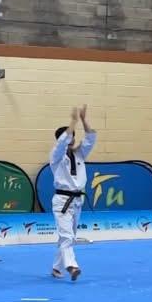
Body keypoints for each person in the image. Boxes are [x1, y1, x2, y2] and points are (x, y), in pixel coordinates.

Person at [50, 105, 96, 281]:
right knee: (66, 236)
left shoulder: (79, 154)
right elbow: (62, 142)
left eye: (73, 137)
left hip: (77, 200)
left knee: (69, 237)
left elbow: (90, 138)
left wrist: (83, 120)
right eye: (69, 137)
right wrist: (73, 121)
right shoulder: (56, 156)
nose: (71, 140)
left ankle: (56, 267)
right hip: (62, 200)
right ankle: (72, 266)